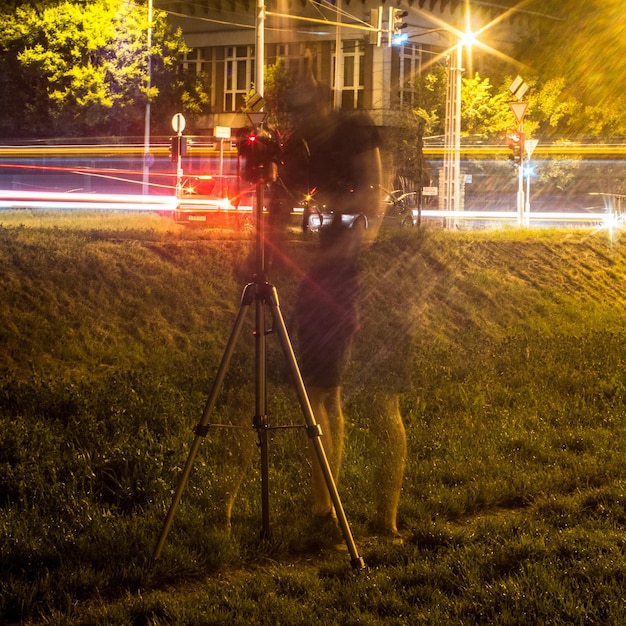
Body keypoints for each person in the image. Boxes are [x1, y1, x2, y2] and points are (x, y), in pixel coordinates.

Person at [270, 50, 407, 538]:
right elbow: (289, 207)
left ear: (323, 98)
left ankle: (378, 519)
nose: (297, 117)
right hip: (321, 278)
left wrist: (332, 220)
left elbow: (374, 195)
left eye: (304, 102)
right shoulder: (303, 143)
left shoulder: (354, 127)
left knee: (374, 401)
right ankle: (323, 508)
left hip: (360, 277)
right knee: (322, 393)